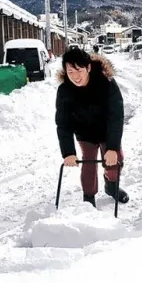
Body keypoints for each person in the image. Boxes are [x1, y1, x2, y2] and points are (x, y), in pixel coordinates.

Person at [55, 47, 129, 207]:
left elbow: (116, 116)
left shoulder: (106, 83)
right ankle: (89, 198)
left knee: (115, 160)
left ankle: (111, 186)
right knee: (88, 163)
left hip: (106, 130)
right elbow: (63, 123)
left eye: (79, 70)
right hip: (84, 133)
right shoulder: (65, 91)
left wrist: (112, 147)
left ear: (88, 67)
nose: (75, 76)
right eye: (70, 72)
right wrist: (68, 152)